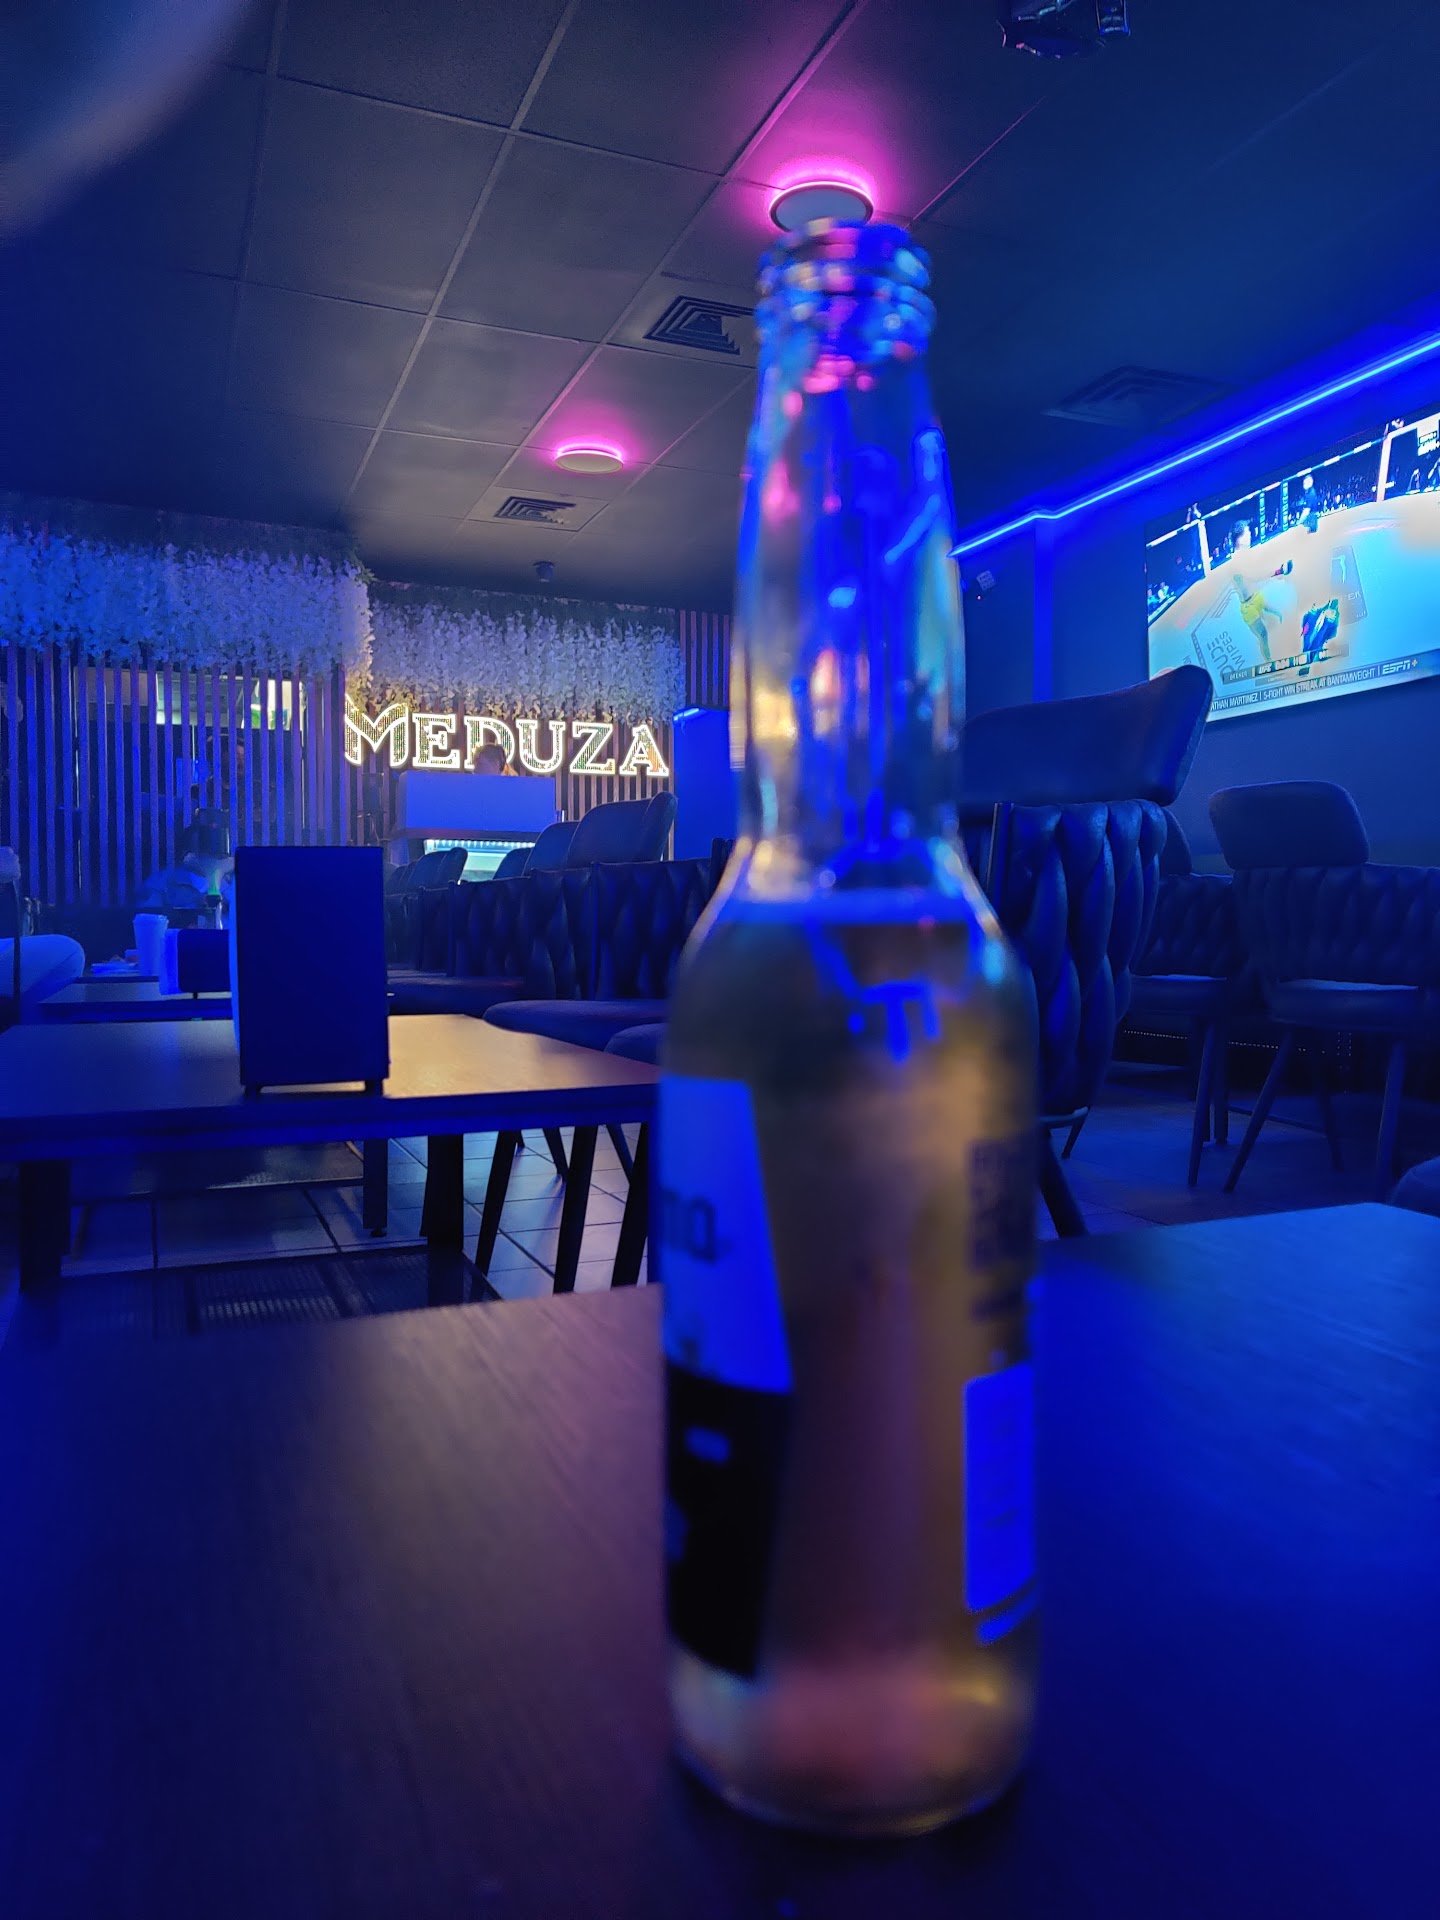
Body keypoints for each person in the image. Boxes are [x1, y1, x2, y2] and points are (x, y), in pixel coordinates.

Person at [1229, 521, 1283, 664]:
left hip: (1256, 596)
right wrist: (1276, 572)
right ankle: (1269, 662)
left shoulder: (1247, 555)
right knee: (1263, 634)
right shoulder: (1235, 561)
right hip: (1248, 606)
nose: (1250, 534)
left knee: (1270, 610)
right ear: (1239, 538)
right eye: (1247, 532)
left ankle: (1275, 618)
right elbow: (1252, 577)